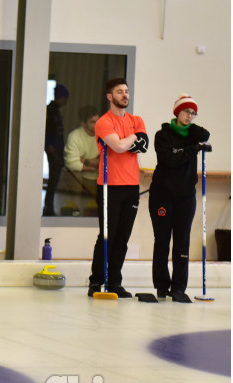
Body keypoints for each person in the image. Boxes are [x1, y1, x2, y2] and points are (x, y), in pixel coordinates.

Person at [87, 77, 148, 298]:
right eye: (120, 92)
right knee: (107, 235)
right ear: (109, 96)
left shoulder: (137, 119)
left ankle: (115, 282)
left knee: (123, 237)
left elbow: (144, 147)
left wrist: (129, 141)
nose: (125, 95)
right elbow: (120, 146)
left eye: (127, 91)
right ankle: (96, 282)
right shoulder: (104, 122)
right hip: (109, 185)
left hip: (131, 186)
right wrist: (133, 137)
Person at [148, 94, 211, 303]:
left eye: (193, 113)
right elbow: (170, 160)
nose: (190, 116)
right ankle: (161, 286)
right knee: (162, 241)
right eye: (186, 111)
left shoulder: (193, 134)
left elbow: (206, 134)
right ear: (177, 112)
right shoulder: (162, 135)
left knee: (182, 242)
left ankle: (178, 287)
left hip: (186, 196)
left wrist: (193, 134)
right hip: (162, 195)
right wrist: (193, 149)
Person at [63, 106, 100, 214]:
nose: (97, 124)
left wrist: (85, 161)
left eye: (98, 121)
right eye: (93, 122)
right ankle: (75, 210)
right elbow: (72, 163)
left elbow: (107, 160)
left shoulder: (104, 135)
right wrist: (94, 165)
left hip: (96, 176)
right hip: (80, 175)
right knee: (74, 173)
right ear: (83, 124)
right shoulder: (74, 136)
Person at [43, 83, 69, 216]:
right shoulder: (50, 110)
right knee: (53, 178)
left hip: (57, 147)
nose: (66, 100)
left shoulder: (55, 110)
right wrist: (49, 145)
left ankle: (49, 204)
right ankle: (48, 205)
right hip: (53, 148)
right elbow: (47, 129)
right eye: (65, 97)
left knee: (55, 177)